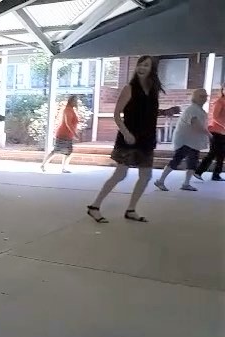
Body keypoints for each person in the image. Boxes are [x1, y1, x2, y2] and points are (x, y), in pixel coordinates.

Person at [86, 56, 180, 223]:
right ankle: (95, 206)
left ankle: (131, 209)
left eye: (146, 65)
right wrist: (126, 133)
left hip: (146, 139)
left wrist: (166, 112)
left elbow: (147, 113)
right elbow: (117, 114)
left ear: (152, 69)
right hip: (128, 138)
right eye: (140, 64)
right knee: (120, 174)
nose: (142, 68)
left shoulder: (152, 90)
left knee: (146, 176)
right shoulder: (129, 88)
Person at [154, 89, 210, 191]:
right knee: (177, 160)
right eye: (201, 96)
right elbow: (196, 125)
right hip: (185, 141)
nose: (204, 98)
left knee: (192, 162)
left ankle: (186, 183)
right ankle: (160, 180)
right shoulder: (192, 109)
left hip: (193, 142)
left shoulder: (200, 110)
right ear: (195, 97)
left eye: (205, 96)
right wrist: (209, 134)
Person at [41, 95, 81, 173]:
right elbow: (68, 123)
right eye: (75, 100)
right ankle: (44, 165)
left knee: (68, 152)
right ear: (71, 101)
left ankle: (63, 168)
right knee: (57, 151)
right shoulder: (68, 110)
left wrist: (73, 133)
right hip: (63, 134)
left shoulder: (71, 110)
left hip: (68, 135)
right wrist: (75, 133)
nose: (76, 102)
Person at [194, 84, 225, 181]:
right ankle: (198, 171)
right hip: (216, 131)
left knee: (221, 154)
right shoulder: (219, 102)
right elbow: (215, 117)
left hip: (223, 132)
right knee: (213, 152)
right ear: (222, 90)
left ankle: (216, 174)